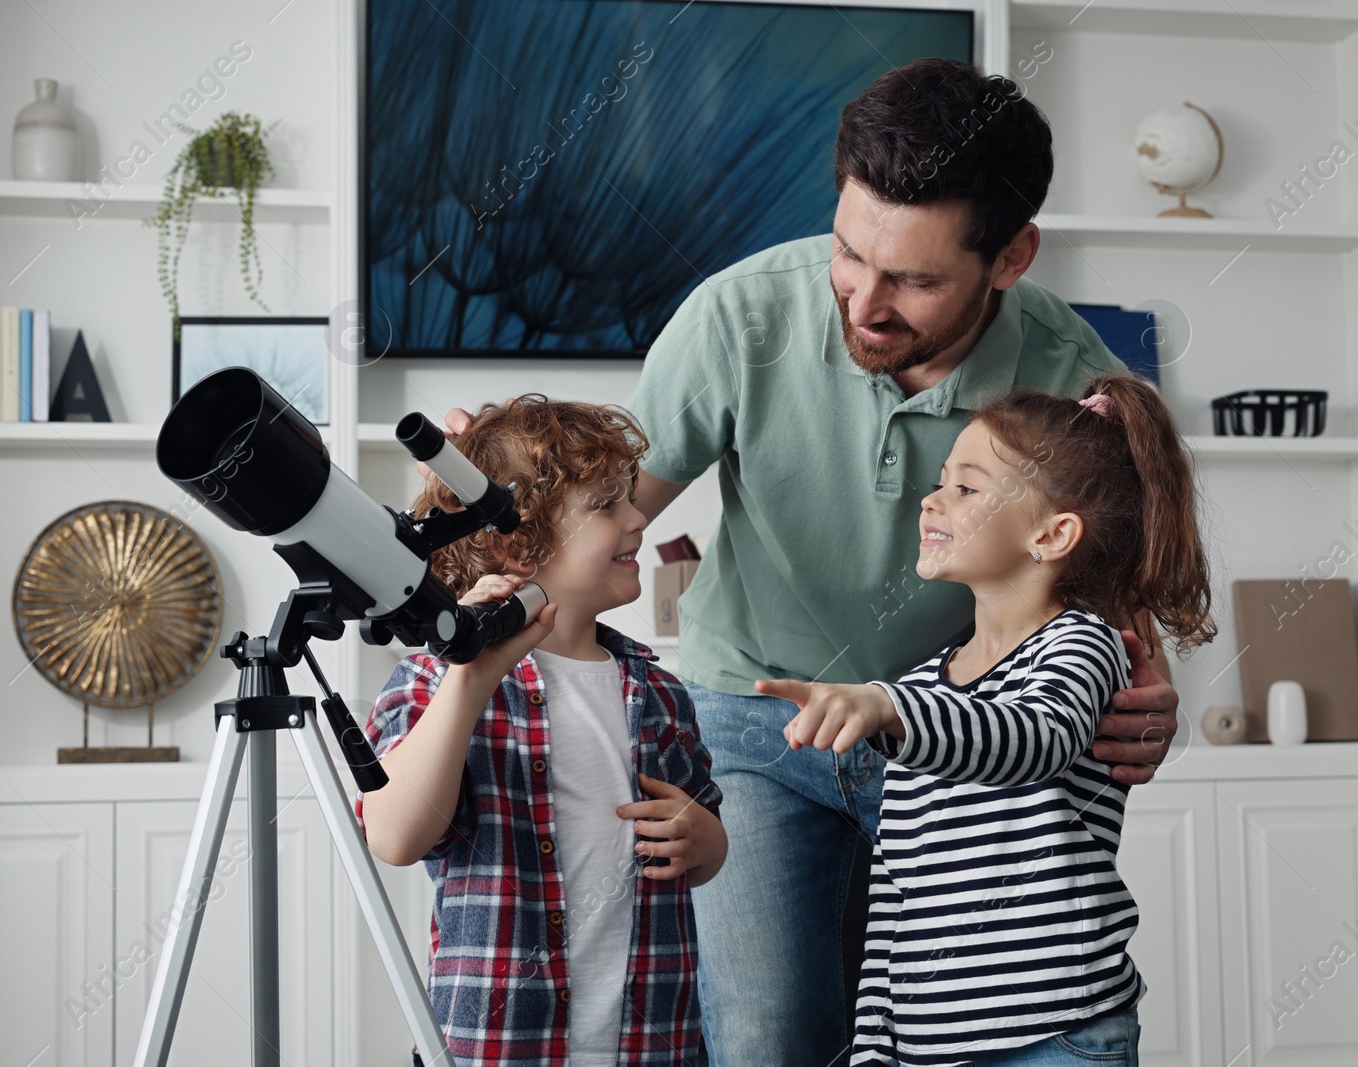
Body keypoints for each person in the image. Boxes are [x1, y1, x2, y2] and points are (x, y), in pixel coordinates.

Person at [435, 58, 1183, 1065]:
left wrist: (1144, 680)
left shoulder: (1069, 373)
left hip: (951, 739)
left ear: (1010, 257)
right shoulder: (739, 316)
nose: (862, 303)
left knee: (961, 1028)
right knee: (768, 1033)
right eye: (847, 252)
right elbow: (595, 525)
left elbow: (1113, 601)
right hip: (750, 718)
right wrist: (488, 506)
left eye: (912, 279)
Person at [764, 374, 1216, 1066]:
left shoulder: (1082, 645)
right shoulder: (922, 688)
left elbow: (1032, 739)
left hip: (1060, 1033)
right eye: (942, 481)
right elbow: (897, 887)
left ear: (1051, 533)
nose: (932, 499)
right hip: (926, 1046)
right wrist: (875, 1045)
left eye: (966, 487)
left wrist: (888, 705)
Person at [358, 396, 727, 1067]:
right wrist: (465, 680)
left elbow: (701, 843)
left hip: (653, 1045)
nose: (640, 517)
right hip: (499, 1048)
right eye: (607, 504)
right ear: (515, 543)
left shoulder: (661, 693)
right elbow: (393, 835)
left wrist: (705, 839)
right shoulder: (432, 682)